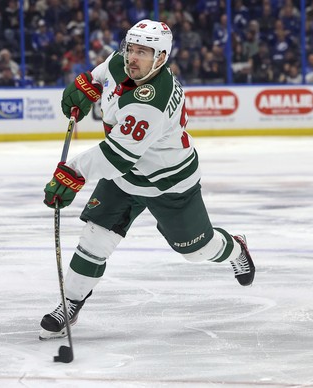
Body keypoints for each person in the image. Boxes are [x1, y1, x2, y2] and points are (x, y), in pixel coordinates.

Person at [39, 20, 256, 340]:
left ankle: (235, 248)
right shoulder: (122, 61)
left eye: (144, 52)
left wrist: (73, 173)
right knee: (95, 239)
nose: (133, 58)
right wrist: (88, 84)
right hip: (124, 179)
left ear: (161, 58)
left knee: (196, 251)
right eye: (131, 48)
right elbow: (104, 72)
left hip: (168, 183)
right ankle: (70, 302)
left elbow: (116, 155)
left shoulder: (151, 101)